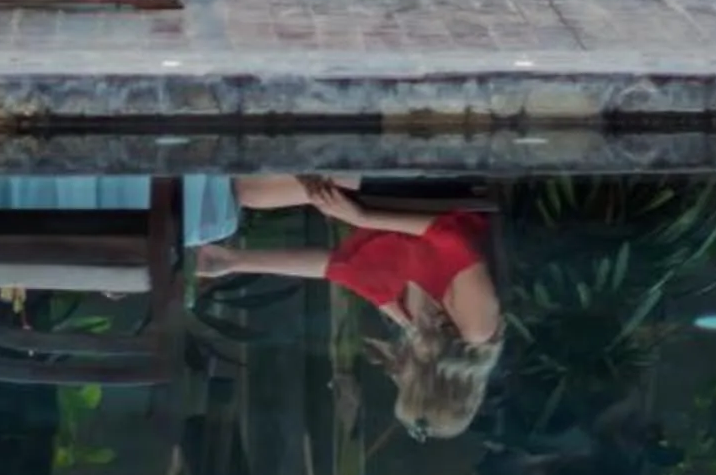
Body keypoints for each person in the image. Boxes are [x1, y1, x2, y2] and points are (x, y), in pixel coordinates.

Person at [199, 175, 501, 439]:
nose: (400, 381)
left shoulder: (412, 323)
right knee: (263, 188)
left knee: (250, 191)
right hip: (436, 193)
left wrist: (234, 262)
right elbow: (453, 237)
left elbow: (336, 268)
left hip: (379, 202)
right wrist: (363, 218)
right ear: (433, 385)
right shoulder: (475, 330)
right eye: (407, 390)